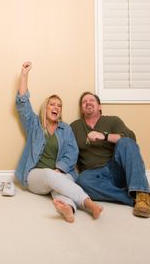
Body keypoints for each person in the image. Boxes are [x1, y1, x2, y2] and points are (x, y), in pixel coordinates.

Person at [14, 62, 103, 222]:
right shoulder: (34, 124)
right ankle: (89, 203)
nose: (56, 107)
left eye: (59, 106)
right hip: (36, 176)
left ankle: (68, 210)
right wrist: (24, 75)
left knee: (61, 186)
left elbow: (72, 152)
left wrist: (60, 169)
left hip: (60, 174)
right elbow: (22, 104)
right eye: (52, 104)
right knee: (50, 175)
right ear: (46, 107)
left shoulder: (66, 129)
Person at [70, 91, 150, 218]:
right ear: (81, 109)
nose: (88, 103)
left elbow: (131, 138)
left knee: (126, 142)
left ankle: (142, 193)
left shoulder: (112, 120)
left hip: (116, 169)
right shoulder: (75, 126)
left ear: (100, 107)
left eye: (91, 100)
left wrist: (104, 136)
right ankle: (140, 199)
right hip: (94, 175)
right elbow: (68, 149)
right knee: (82, 181)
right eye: (84, 102)